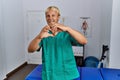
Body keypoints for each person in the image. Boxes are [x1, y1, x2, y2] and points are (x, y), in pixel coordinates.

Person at [28, 6, 87, 80]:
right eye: (48, 16)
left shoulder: (66, 33)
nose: (50, 18)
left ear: (58, 17)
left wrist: (68, 29)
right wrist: (39, 37)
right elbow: (30, 49)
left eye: (53, 15)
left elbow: (84, 41)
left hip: (67, 74)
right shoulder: (44, 33)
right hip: (50, 75)